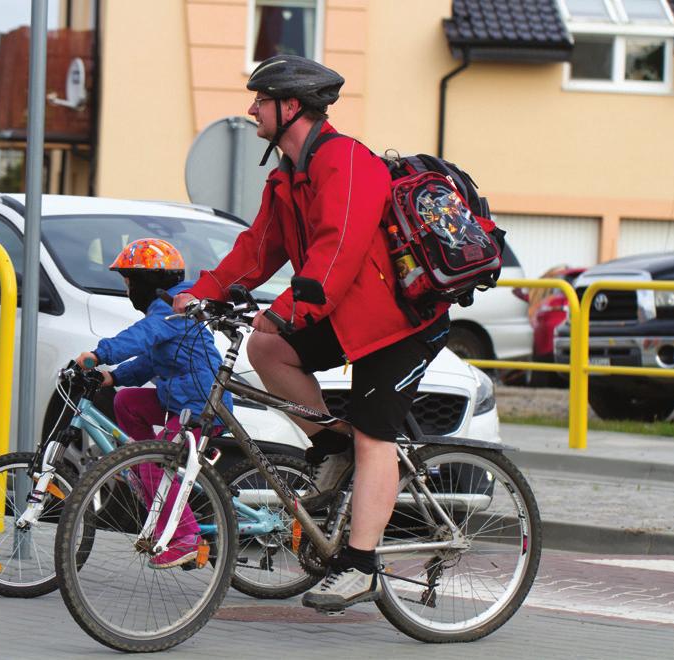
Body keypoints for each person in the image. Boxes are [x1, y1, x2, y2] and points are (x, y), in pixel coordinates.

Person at [173, 55, 451, 610]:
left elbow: (337, 250)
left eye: (261, 99)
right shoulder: (285, 177)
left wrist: (288, 307)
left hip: (399, 325)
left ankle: (361, 564)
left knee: (375, 436)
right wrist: (202, 292)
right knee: (267, 349)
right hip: (347, 317)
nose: (251, 108)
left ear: (290, 106)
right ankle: (331, 446)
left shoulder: (346, 161)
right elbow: (257, 250)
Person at [77, 237, 233, 569]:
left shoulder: (171, 312)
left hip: (201, 405)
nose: (127, 289)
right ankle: (148, 462)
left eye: (128, 281)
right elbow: (150, 358)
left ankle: (187, 536)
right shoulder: (167, 311)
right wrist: (113, 377)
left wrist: (99, 354)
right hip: (180, 400)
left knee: (153, 466)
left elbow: (142, 337)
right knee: (128, 402)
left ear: (145, 282)